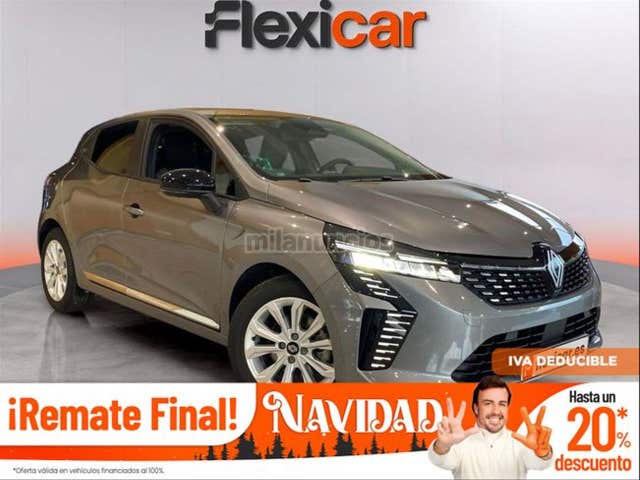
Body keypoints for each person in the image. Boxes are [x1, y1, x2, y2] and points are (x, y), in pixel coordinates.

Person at [428, 375, 553, 479]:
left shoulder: (520, 443)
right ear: (476, 408)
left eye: (502, 404)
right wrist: (442, 445)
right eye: (488, 403)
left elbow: (540, 464)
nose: (496, 411)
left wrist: (544, 453)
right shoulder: (460, 443)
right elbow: (440, 460)